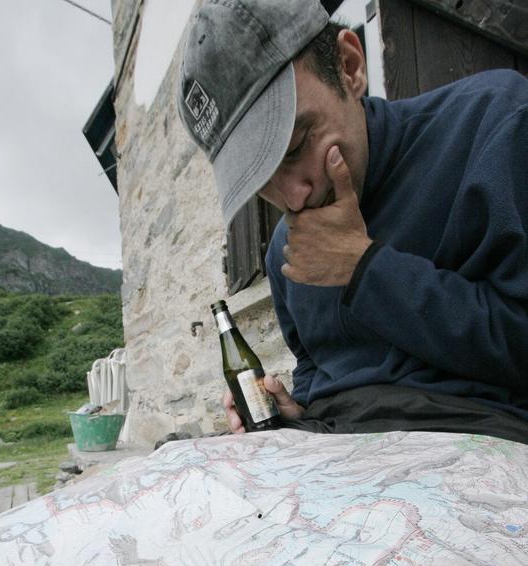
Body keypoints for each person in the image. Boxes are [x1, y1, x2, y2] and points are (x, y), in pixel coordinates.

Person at [178, 0, 528, 444]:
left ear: (349, 66)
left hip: (479, 437)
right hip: (332, 449)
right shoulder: (286, 249)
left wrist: (366, 268)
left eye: (295, 147)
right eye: (260, 181)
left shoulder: (494, 122)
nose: (293, 197)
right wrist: (294, 412)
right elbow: (317, 370)